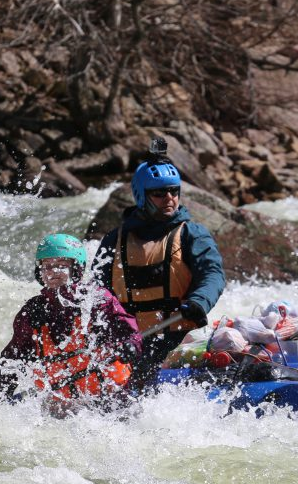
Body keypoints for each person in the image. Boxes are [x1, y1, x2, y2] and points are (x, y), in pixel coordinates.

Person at [94, 138, 225, 387]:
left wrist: (200, 301)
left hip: (179, 338)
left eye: (174, 191)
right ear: (141, 196)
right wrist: (110, 336)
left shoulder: (192, 234)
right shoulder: (115, 240)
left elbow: (213, 274)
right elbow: (98, 292)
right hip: (131, 341)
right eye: (159, 193)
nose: (169, 198)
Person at [0, 233, 142, 417]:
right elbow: (14, 359)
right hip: (62, 407)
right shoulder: (34, 311)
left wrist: (130, 345)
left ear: (76, 269)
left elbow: (130, 333)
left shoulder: (96, 300)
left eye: (61, 266)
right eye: (47, 266)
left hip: (110, 401)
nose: (52, 272)